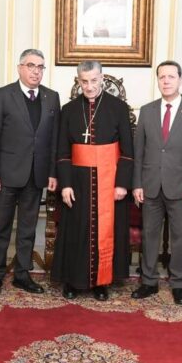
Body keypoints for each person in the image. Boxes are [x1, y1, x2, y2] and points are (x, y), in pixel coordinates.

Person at [51, 60, 133, 301]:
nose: (89, 86)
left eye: (94, 80)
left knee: (104, 231)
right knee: (76, 230)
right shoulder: (69, 109)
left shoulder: (118, 107)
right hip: (77, 182)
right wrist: (65, 184)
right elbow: (63, 152)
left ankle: (102, 282)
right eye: (84, 81)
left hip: (109, 180)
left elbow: (128, 150)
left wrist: (121, 183)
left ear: (102, 78)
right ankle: (72, 281)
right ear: (78, 81)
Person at [131, 60, 182, 305]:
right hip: (151, 186)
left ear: (180, 80)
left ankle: (178, 284)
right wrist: (137, 184)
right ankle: (149, 281)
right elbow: (139, 152)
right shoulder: (147, 110)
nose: (166, 81)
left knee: (181, 239)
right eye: (162, 77)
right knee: (149, 237)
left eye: (171, 77)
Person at [0, 48, 59, 296]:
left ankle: (22, 276)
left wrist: (51, 173)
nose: (35, 71)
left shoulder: (51, 97)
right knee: (1, 229)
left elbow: (53, 140)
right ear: (20, 68)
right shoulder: (2, 96)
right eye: (31, 66)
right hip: (5, 176)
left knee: (27, 229)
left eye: (40, 67)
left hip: (36, 176)